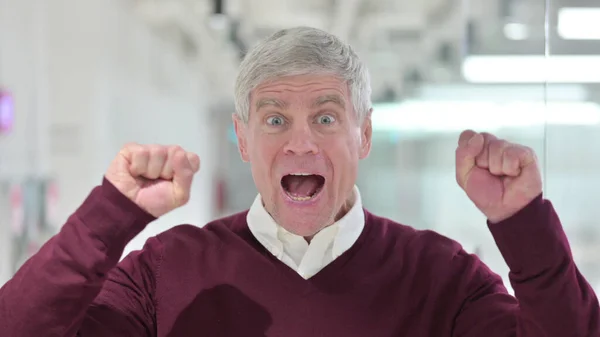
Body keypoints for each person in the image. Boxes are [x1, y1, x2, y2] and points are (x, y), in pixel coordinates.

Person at [0, 27, 598, 337]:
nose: (302, 142)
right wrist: (106, 218)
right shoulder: (165, 272)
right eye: (276, 119)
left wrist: (526, 229)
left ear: (363, 135)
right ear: (242, 139)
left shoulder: (442, 277)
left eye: (327, 117)